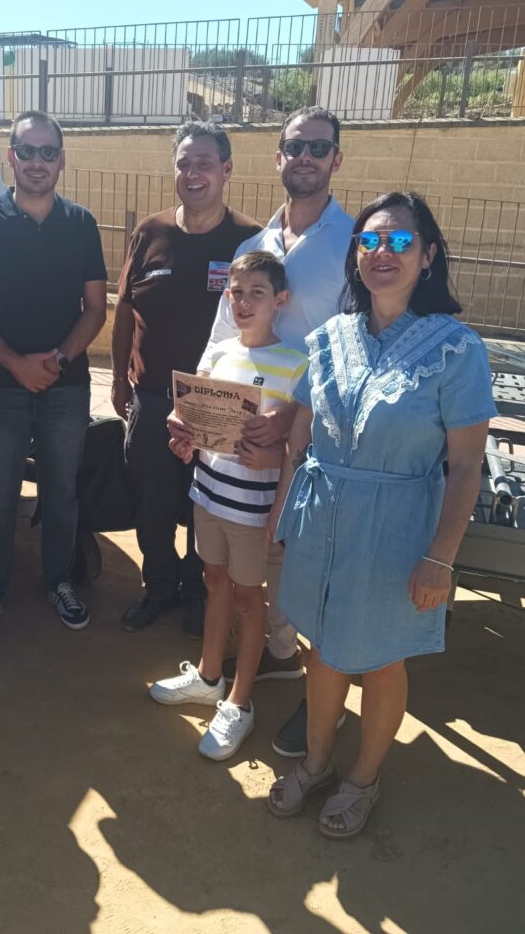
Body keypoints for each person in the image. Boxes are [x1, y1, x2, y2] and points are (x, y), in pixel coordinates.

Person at [266, 192, 495, 839]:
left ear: (428, 256)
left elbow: (466, 467)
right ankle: (315, 763)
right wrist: (282, 522)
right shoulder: (329, 338)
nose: (382, 253)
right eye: (369, 241)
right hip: (321, 522)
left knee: (380, 659)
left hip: (396, 533)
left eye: (399, 241)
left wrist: (440, 559)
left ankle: (362, 779)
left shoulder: (457, 350)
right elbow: (298, 441)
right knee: (322, 649)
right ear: (355, 256)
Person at [188, 107, 354, 753]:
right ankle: (279, 658)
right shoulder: (252, 247)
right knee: (263, 561)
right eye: (295, 146)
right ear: (278, 156)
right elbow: (219, 342)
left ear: (336, 158)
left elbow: (354, 346)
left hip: (319, 431)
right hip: (244, 449)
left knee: (309, 561)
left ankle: (323, 702)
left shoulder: (352, 244)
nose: (305, 156)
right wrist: (196, 409)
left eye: (318, 147)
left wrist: (296, 411)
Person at [0, 111, 107, 641]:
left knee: (62, 493)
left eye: (48, 152)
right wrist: (16, 364)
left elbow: (95, 308)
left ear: (62, 159)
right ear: (11, 157)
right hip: (0, 389)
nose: (37, 162)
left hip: (67, 387)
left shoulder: (81, 224)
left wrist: (58, 360)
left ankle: (59, 582)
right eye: (27, 151)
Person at [150, 253, 308, 760]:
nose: (243, 303)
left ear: (280, 300)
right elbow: (193, 424)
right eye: (236, 293)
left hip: (253, 510)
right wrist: (183, 440)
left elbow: (298, 448)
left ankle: (240, 703)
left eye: (256, 293)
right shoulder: (217, 352)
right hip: (207, 493)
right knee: (213, 582)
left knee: (248, 600)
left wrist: (276, 487)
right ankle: (209, 677)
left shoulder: (296, 364)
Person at [111, 121, 262, 638]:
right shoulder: (150, 232)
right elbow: (125, 309)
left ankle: (198, 592)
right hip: (154, 398)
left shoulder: (249, 239)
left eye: (204, 163)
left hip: (221, 402)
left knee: (207, 505)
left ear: (226, 169)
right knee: (151, 502)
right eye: (183, 163)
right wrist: (119, 381)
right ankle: (158, 588)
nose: (192, 173)